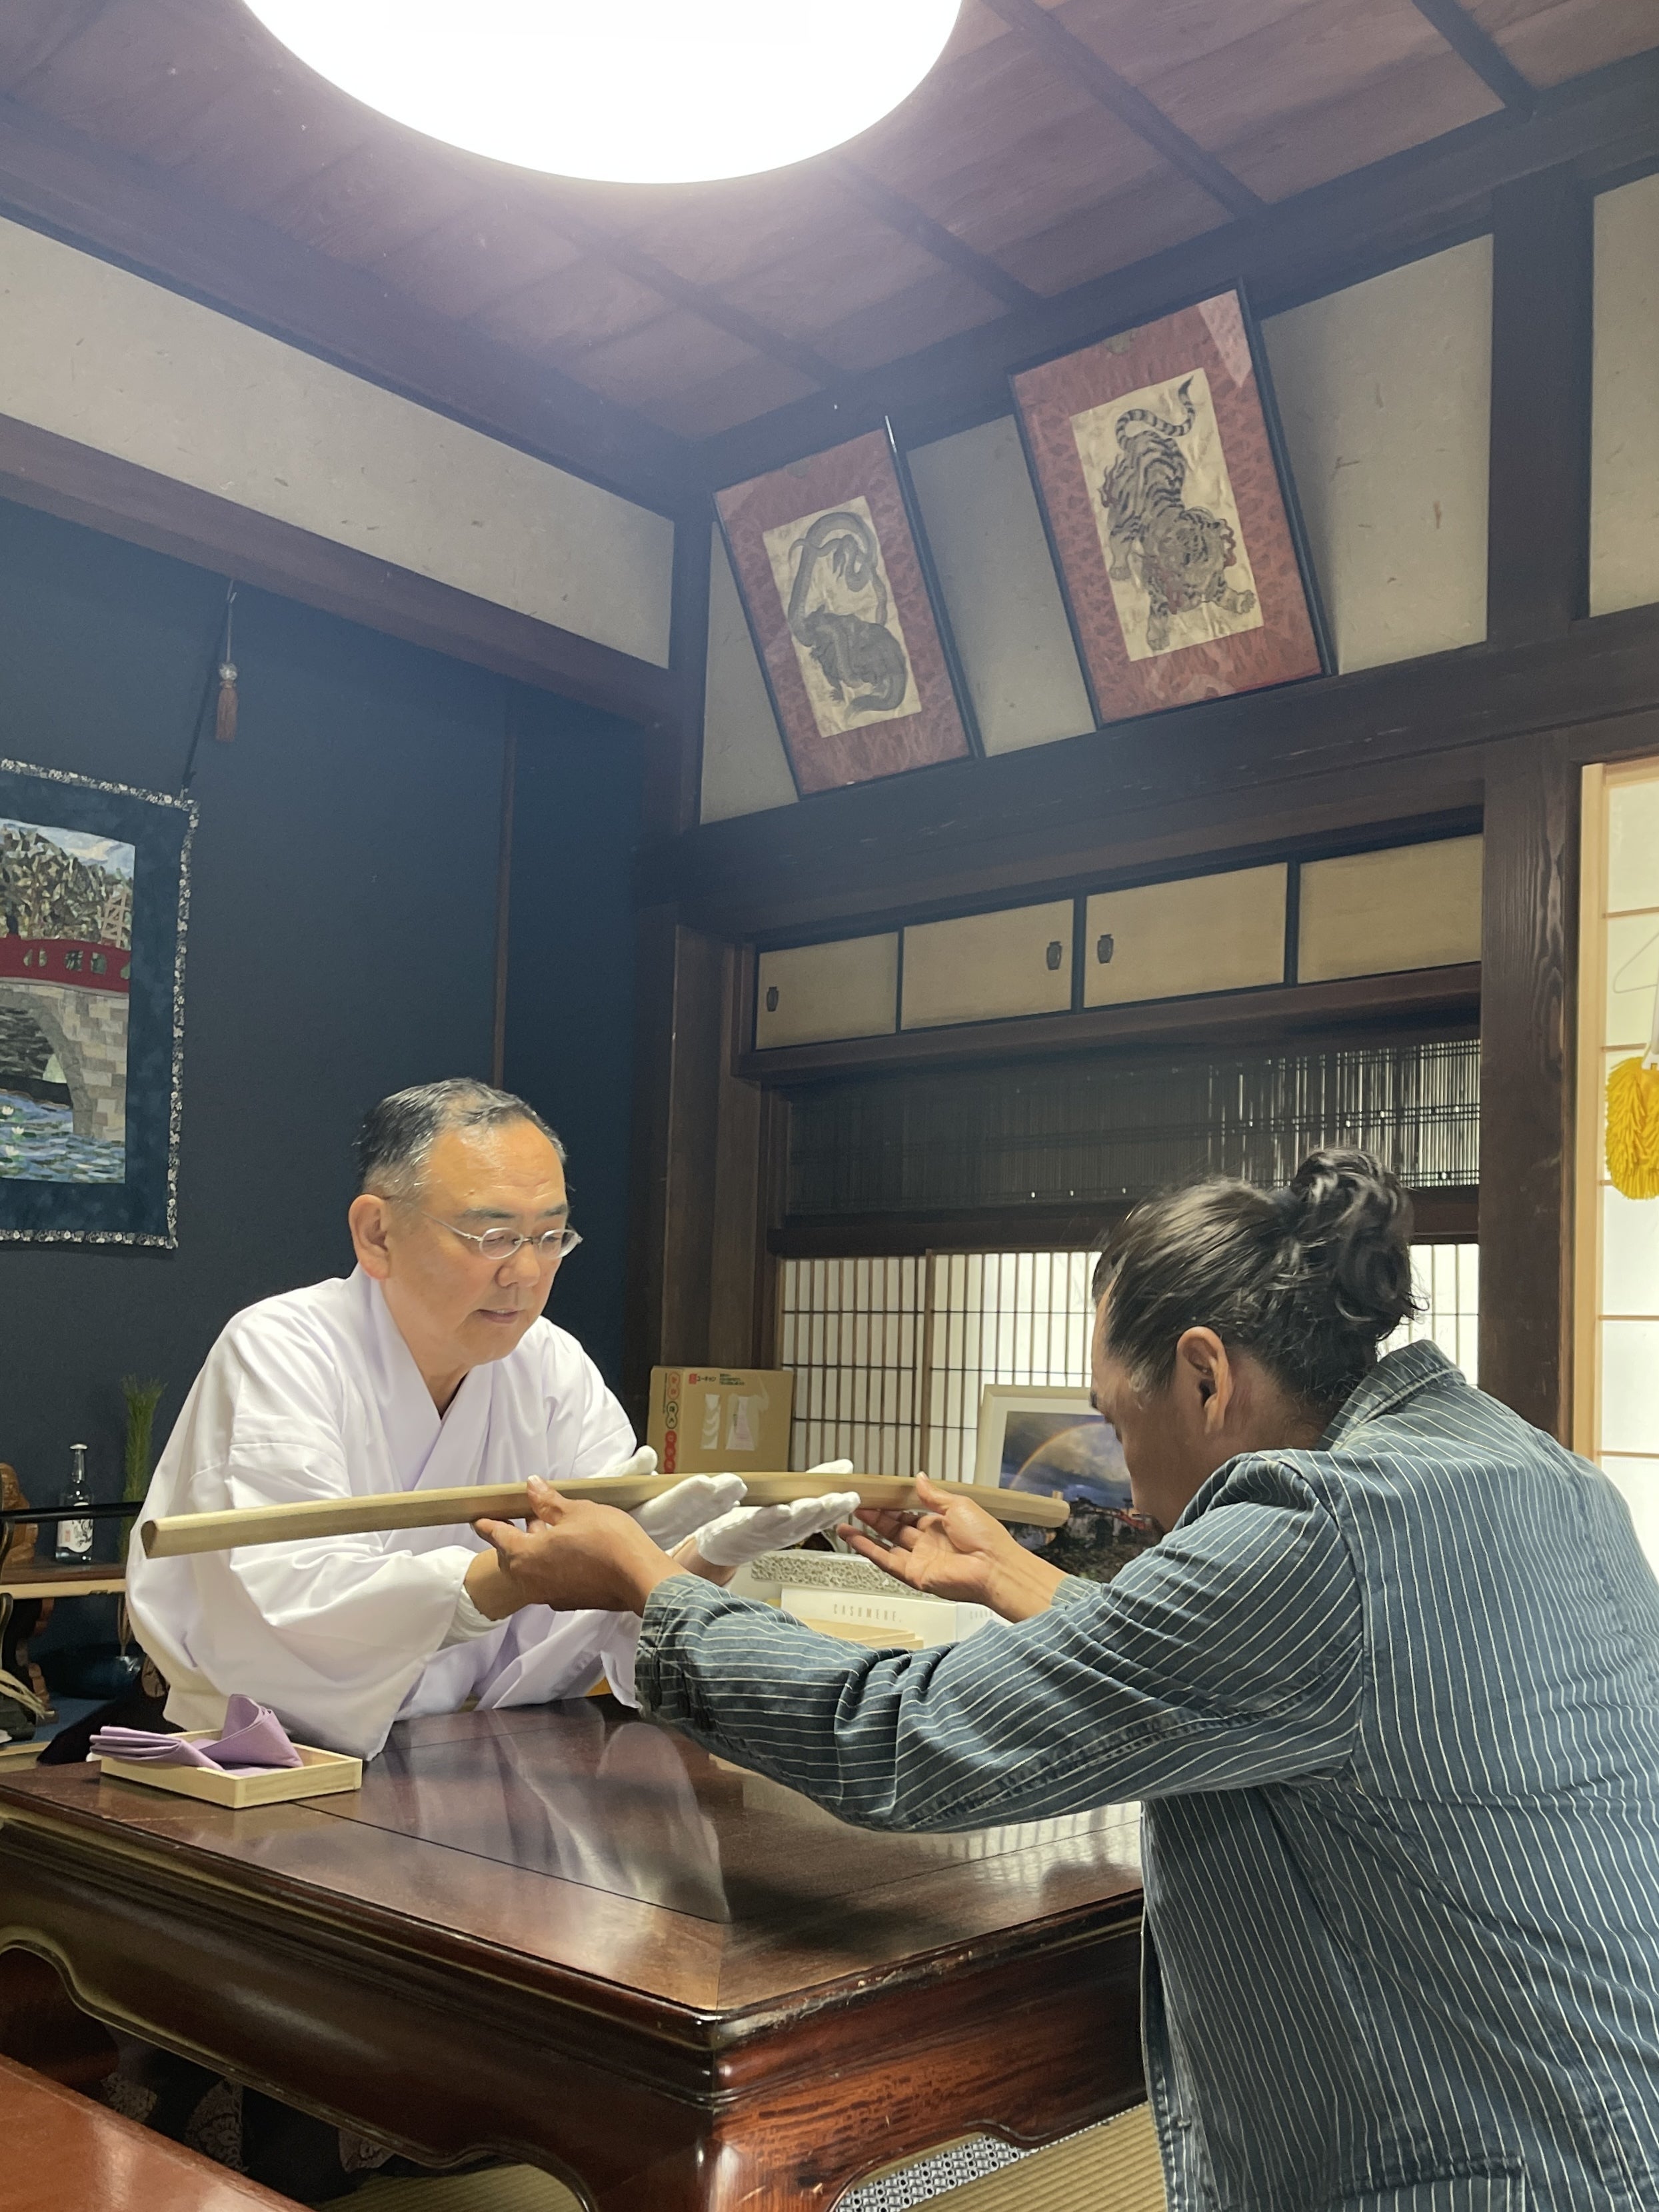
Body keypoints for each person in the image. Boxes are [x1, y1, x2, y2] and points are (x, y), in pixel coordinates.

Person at [481, 1150, 1659, 2211]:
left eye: (1112, 1417)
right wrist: (1017, 1577)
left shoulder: (1310, 1529)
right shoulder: (1532, 1470)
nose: (1127, 1480)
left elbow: (900, 1736)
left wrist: (647, 1583)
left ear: (1204, 1374)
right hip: (1604, 2127)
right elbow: (1287, 1683)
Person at [127, 1079, 855, 1760]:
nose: (526, 1273)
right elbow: (282, 1606)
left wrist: (700, 1564)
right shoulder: (281, 1349)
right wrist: (516, 1577)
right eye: (493, 1237)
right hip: (274, 1761)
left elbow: (607, 1613)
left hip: (486, 1755)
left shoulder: (551, 1366)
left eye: (550, 1237)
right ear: (377, 1233)